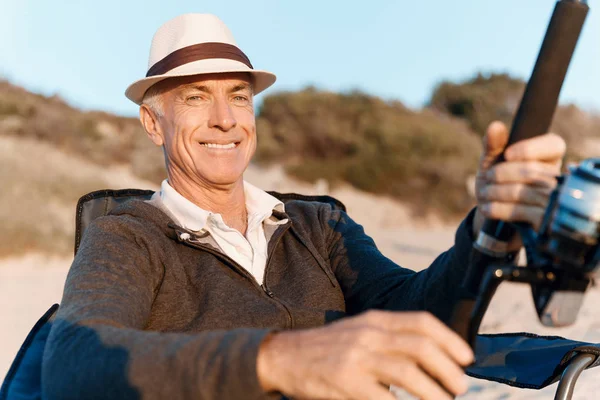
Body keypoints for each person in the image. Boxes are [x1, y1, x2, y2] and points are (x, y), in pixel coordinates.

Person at [41, 14, 566, 400]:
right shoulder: (126, 236)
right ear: (154, 123)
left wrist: (490, 226)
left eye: (240, 97)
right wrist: (277, 360)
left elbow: (415, 311)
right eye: (197, 97)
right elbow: (72, 365)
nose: (226, 119)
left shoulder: (318, 224)